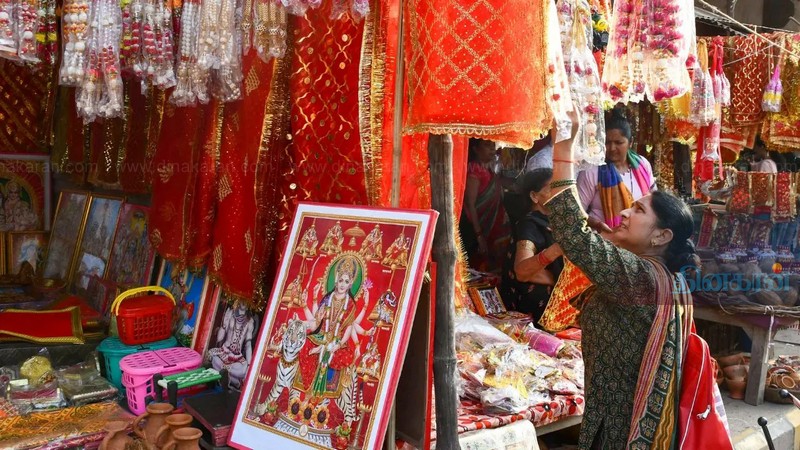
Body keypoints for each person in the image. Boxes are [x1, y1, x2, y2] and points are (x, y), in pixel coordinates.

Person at [547, 112, 703, 448]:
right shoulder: (667, 278)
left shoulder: (640, 277)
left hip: (619, 430)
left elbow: (572, 233)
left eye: (638, 210)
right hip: (622, 419)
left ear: (661, 236)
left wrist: (563, 148)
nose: (623, 213)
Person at [500, 168, 564, 322]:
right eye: (551, 188)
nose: (559, 194)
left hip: (554, 306)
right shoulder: (529, 225)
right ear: (534, 196)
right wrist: (554, 252)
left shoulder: (553, 221)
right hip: (533, 311)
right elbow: (522, 271)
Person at [577, 109, 656, 233]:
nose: (612, 148)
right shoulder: (592, 170)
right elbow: (577, 210)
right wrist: (597, 224)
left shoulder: (642, 164)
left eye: (619, 143)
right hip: (603, 237)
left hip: (638, 237)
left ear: (630, 142)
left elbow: (653, 201)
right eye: (607, 143)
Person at [461, 138, 510, 272]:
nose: (492, 149)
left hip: (493, 227)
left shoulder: (489, 169)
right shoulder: (474, 171)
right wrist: (479, 235)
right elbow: (470, 205)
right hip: (479, 227)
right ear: (476, 149)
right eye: (487, 145)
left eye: (493, 145)